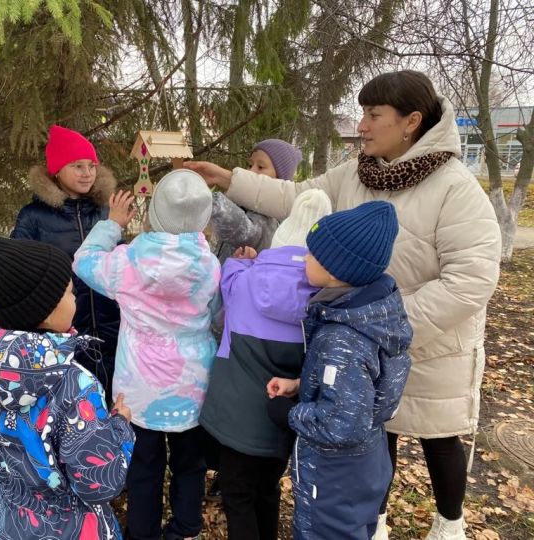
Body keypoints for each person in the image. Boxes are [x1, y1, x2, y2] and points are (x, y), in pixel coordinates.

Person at [185, 70, 502, 540]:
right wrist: (228, 179)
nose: (363, 125)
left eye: (374, 115)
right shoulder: (358, 171)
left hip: (427, 346)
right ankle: (372, 520)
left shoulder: (455, 189)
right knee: (377, 435)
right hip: (359, 341)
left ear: (411, 121)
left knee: (437, 437)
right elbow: (295, 196)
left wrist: (383, 324)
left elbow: (471, 279)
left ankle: (448, 523)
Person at [73, 170, 221, 540]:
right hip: (193, 386)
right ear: (203, 219)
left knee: (144, 465)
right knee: (190, 462)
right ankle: (186, 526)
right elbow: (218, 314)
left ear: (154, 213)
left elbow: (84, 261)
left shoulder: (127, 263)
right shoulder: (211, 266)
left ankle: (142, 533)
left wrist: (111, 226)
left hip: (138, 389)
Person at [0, 234, 135, 540]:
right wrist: (119, 427)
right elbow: (99, 483)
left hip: (1, 521)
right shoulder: (72, 382)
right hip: (68, 528)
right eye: (69, 292)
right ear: (47, 311)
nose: (76, 298)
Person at [266, 201, 412, 539]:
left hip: (333, 476)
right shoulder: (372, 312)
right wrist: (302, 384)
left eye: (312, 254)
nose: (304, 258)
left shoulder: (341, 337)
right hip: (366, 465)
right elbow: (360, 385)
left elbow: (343, 424)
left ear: (335, 270)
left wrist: (289, 414)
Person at [199, 189, 331, 540]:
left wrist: (244, 261)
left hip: (234, 418)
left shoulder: (244, 282)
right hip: (281, 419)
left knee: (237, 494)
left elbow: (227, 280)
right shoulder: (326, 298)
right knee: (268, 488)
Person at [11, 124, 120, 401]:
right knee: (74, 407)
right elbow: (19, 272)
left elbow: (122, 262)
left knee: (114, 404)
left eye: (91, 166)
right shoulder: (33, 216)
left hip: (113, 328)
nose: (87, 174)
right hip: (64, 333)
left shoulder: (106, 210)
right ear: (57, 170)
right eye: (77, 166)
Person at [209, 138, 302, 263]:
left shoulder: (270, 218)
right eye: (250, 164)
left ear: (279, 182)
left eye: (260, 167)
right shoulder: (242, 204)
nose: (250, 171)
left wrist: (210, 201)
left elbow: (246, 234)